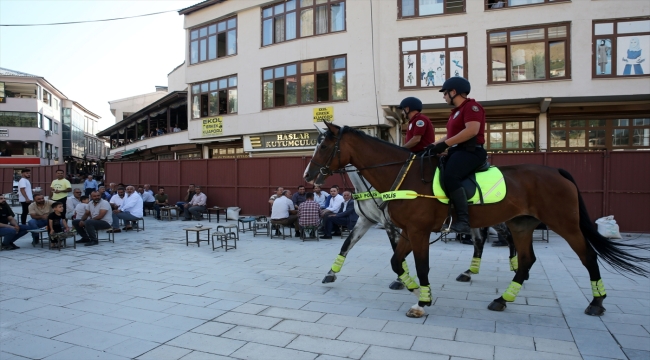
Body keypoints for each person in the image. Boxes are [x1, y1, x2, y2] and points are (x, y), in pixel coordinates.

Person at [427, 77, 487, 235]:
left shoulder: (472, 107)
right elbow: (450, 136)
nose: (444, 96)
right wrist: (432, 146)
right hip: (458, 151)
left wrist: (444, 145)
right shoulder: (456, 112)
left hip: (471, 152)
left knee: (451, 176)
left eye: (445, 93)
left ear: (453, 92)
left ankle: (463, 221)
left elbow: (471, 130)